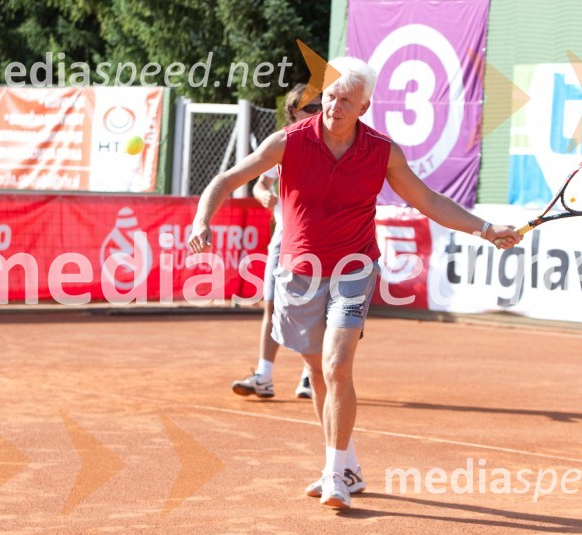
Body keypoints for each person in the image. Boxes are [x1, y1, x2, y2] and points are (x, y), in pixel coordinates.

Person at [189, 57, 522, 510]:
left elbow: (427, 199)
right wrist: (202, 220)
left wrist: (485, 229)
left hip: (354, 268)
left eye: (346, 100)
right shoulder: (289, 141)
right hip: (299, 271)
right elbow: (227, 179)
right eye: (330, 97)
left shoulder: (382, 151)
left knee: (337, 366)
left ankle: (334, 475)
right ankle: (348, 465)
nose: (334, 107)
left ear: (364, 106)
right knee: (317, 372)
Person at [230, 84, 319, 400]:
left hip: (321, 240)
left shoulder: (331, 143)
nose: (319, 112)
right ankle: (264, 376)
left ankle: (310, 376)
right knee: (272, 304)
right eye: (311, 107)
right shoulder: (281, 143)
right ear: (294, 111)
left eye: (321, 106)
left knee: (314, 309)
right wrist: (262, 194)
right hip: (284, 238)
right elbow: (260, 183)